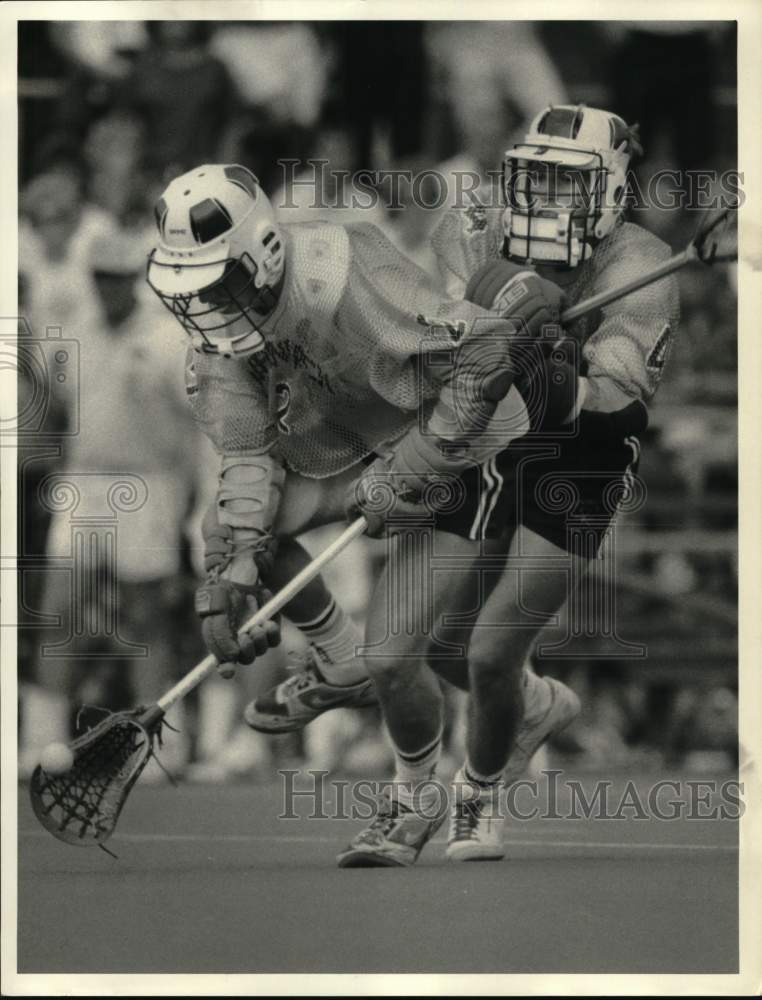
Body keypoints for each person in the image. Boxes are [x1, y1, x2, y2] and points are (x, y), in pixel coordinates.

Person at [145, 162, 565, 863]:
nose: (206, 303)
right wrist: (239, 566)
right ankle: (338, 662)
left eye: (219, 282)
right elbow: (249, 455)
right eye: (193, 288)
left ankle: (411, 796)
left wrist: (413, 469)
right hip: (355, 449)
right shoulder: (219, 345)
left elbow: (487, 350)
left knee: (396, 657)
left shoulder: (345, 276)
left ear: (263, 257)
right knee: (228, 532)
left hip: (460, 445)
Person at [424, 104, 681, 860]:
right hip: (500, 428)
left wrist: (548, 353)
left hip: (585, 457)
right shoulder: (488, 220)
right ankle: (536, 706)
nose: (543, 199)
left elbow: (607, 406)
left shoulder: (641, 266)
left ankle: (477, 793)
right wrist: (505, 297)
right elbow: (448, 258)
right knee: (439, 646)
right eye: (534, 179)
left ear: (608, 191)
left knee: (489, 651)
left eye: (566, 185)